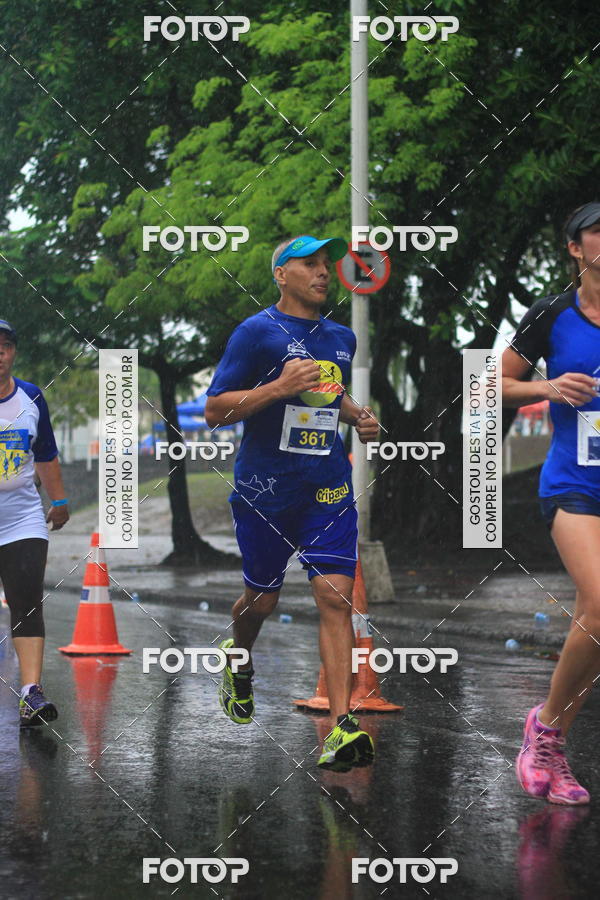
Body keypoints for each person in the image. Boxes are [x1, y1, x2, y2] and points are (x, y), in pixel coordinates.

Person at [204, 235, 380, 771]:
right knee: (261, 602)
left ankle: (341, 725)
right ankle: (239, 657)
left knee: (336, 597)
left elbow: (328, 393)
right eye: (309, 265)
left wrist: (357, 416)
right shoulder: (255, 334)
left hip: (326, 487)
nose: (323, 273)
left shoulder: (341, 337)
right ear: (281, 274)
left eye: (326, 265)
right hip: (265, 490)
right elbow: (215, 410)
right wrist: (277, 388)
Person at [502, 201, 600, 804]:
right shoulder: (552, 314)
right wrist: (546, 386)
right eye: (599, 233)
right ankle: (543, 729)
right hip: (573, 484)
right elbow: (489, 383)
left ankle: (551, 735)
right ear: (575, 248)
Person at [0, 319, 69, 726]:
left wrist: (58, 500)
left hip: (22, 517)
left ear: (13, 353)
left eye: (5, 347)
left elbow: (45, 453)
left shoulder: (31, 397)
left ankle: (31, 692)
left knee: (26, 602)